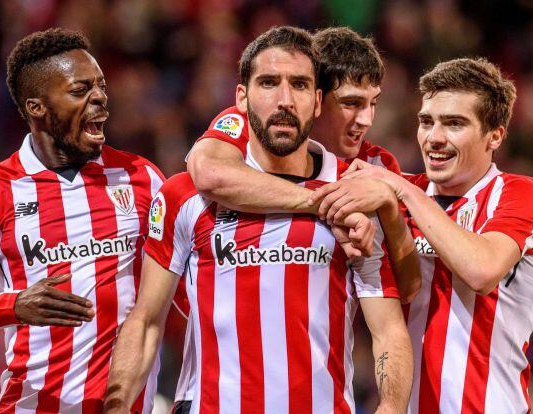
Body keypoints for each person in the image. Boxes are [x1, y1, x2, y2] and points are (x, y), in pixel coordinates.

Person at [104, 26, 412, 414]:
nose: (285, 99)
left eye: (299, 85)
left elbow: (388, 329)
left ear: (317, 102)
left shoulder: (354, 193)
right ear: (241, 98)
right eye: (269, 83)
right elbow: (147, 321)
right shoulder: (186, 197)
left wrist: (391, 407)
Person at [0, 28, 163, 413]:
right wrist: (16, 305)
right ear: (37, 107)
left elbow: (183, 290)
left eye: (101, 86)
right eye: (80, 90)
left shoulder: (141, 178)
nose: (100, 98)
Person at [311, 57, 533, 413]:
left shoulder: (516, 193)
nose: (435, 138)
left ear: (495, 135)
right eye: (426, 122)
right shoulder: (396, 192)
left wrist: (400, 189)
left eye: (454, 124)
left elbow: (481, 270)